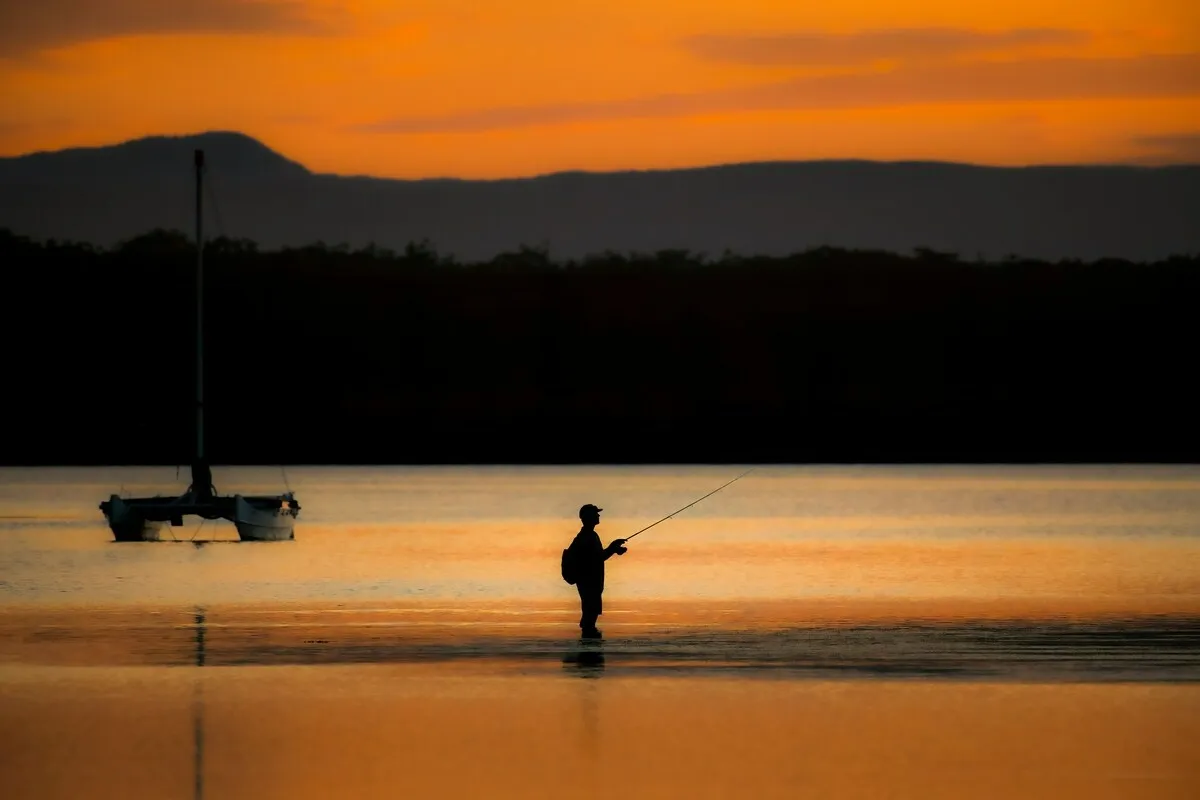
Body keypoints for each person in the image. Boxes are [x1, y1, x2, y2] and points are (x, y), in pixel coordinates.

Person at [567, 504, 627, 639]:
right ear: (588, 517)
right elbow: (597, 558)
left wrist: (614, 548)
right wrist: (613, 547)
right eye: (596, 514)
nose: (598, 516)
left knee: (590, 611)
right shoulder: (588, 537)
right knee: (590, 611)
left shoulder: (589, 535)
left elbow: (597, 557)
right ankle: (588, 640)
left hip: (589, 581)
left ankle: (588, 639)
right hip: (589, 581)